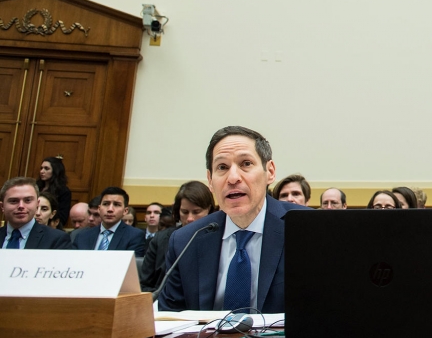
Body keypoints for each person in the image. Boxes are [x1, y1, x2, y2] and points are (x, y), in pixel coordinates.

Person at [158, 126, 310, 312]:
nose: (233, 178)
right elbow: (171, 317)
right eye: (222, 167)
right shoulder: (186, 241)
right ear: (210, 180)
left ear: (270, 172)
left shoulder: (307, 229)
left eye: (246, 163)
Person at [140, 181, 215, 292]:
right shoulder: (160, 240)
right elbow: (145, 285)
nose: (190, 218)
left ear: (209, 210)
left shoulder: (218, 241)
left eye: (196, 212)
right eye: (184, 212)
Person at [71, 186, 146, 256]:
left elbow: (131, 266)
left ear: (125, 211)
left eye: (116, 204)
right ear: (99, 209)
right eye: (106, 204)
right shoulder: (82, 236)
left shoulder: (134, 236)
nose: (110, 209)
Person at [1, 177, 72, 249]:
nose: (21, 206)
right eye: (14, 201)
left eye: (28, 200)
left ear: (37, 204)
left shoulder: (56, 239)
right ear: (2, 206)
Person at [37, 155, 71, 228]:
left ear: (55, 171)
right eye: (41, 168)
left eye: (46, 169)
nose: (42, 171)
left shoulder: (63, 191)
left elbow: (62, 217)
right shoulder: (36, 187)